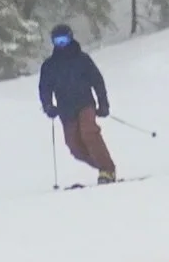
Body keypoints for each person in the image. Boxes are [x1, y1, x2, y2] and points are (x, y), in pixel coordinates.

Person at [38, 24, 117, 183]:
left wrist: (103, 103)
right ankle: (103, 167)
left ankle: (107, 170)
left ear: (71, 38)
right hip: (66, 110)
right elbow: (44, 88)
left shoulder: (82, 59)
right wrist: (48, 106)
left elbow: (97, 81)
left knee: (89, 132)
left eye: (64, 40)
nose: (61, 44)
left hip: (85, 104)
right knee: (74, 146)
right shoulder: (49, 65)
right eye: (57, 41)